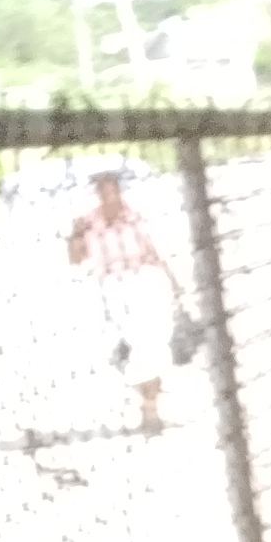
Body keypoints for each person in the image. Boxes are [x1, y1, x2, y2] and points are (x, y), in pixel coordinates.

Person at [66, 164, 181, 433]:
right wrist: (75, 234)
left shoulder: (134, 216)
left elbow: (154, 250)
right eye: (102, 191)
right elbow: (75, 259)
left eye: (112, 190)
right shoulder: (88, 223)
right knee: (137, 342)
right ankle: (147, 401)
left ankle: (151, 404)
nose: (108, 196)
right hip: (112, 284)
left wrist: (174, 282)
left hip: (143, 278)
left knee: (154, 342)